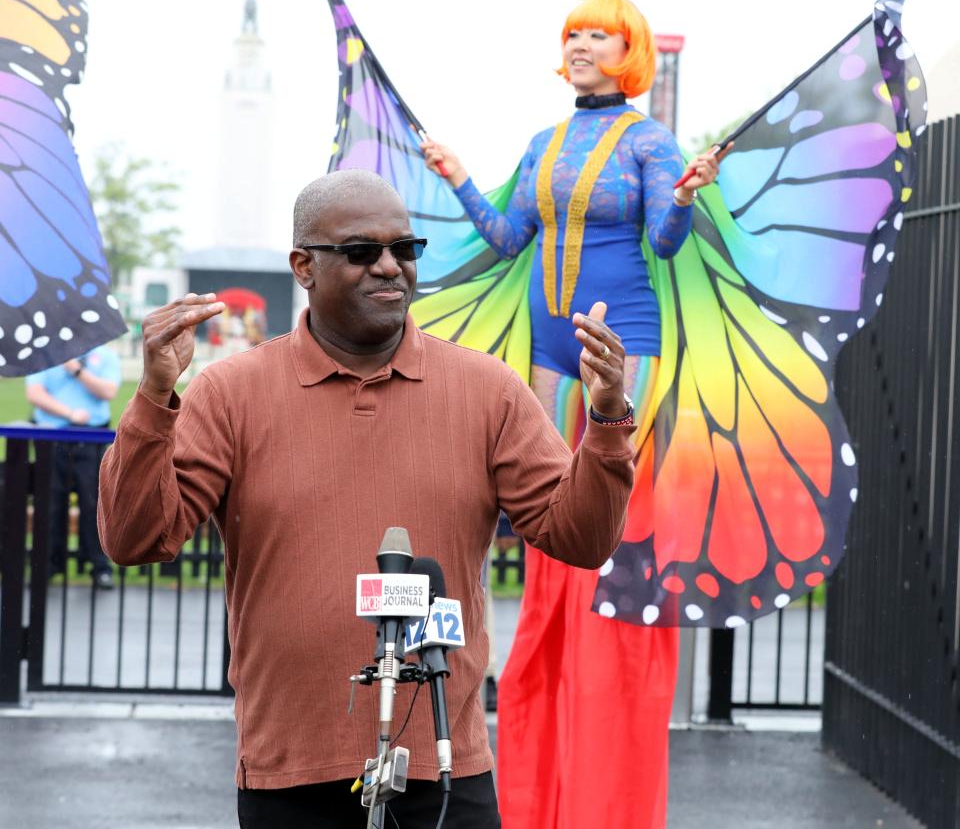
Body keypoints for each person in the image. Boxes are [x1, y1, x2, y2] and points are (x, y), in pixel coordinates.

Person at [97, 169, 640, 829]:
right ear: (303, 266)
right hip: (289, 772)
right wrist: (154, 398)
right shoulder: (232, 392)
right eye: (361, 252)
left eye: (404, 249)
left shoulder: (487, 389)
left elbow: (581, 539)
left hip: (445, 772)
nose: (390, 267)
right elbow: (133, 538)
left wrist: (607, 420)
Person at [421, 0, 728, 828]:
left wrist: (691, 198)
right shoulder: (544, 142)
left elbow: (666, 244)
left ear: (629, 53)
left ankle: (603, 740)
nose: (581, 44)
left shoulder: (648, 140)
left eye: (598, 33)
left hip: (622, 345)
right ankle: (547, 746)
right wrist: (454, 177)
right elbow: (505, 235)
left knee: (606, 520)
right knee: (550, 530)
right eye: (572, 34)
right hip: (545, 351)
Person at [25, 346, 121, 589]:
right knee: (50, 503)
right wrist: (68, 413)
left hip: (92, 437)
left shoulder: (105, 354)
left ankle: (100, 567)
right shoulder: (44, 352)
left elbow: (108, 391)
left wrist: (76, 370)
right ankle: (47, 565)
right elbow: (35, 393)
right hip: (51, 436)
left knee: (93, 503)